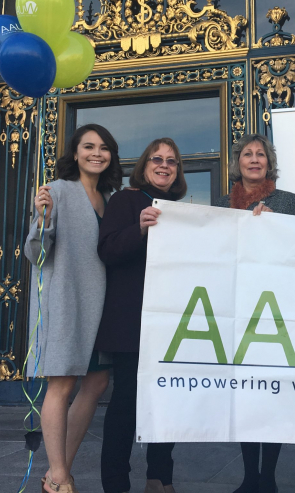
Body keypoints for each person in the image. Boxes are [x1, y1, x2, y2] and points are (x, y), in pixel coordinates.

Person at [25, 124, 122, 493]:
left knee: (96, 382)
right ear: (75, 152)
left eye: (104, 148)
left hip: (102, 303)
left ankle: (55, 470)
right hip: (67, 300)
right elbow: (36, 254)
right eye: (88, 147)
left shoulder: (110, 198)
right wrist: (41, 218)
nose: (96, 153)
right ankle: (60, 476)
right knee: (62, 383)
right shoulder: (58, 191)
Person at [95, 138, 187, 493]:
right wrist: (140, 229)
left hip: (170, 323)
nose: (164, 165)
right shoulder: (125, 200)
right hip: (131, 323)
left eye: (172, 161)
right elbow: (107, 250)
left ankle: (159, 478)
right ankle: (116, 483)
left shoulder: (179, 207)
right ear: (145, 164)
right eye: (157, 159)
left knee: (167, 403)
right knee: (125, 407)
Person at [214, 133, 295, 493]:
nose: (254, 159)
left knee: (274, 392)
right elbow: (217, 250)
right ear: (238, 163)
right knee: (246, 393)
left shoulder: (289, 200)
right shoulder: (222, 203)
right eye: (247, 154)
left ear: (269, 162)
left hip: (277, 306)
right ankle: (251, 476)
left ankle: (269, 477)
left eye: (260, 154)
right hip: (239, 306)